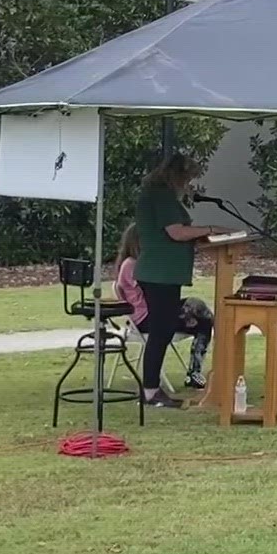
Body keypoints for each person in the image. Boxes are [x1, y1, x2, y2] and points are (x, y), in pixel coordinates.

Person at [128, 153, 230, 408]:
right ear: (176, 175)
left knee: (162, 331)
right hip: (158, 274)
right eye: (188, 179)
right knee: (160, 332)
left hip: (164, 274)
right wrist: (210, 229)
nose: (189, 185)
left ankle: (152, 389)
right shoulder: (160, 196)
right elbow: (176, 232)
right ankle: (151, 391)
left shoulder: (160, 195)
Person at [113, 223, 215, 390]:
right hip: (147, 318)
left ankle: (194, 372)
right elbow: (154, 293)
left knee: (203, 321)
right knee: (196, 306)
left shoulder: (145, 263)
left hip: (159, 312)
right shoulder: (131, 265)